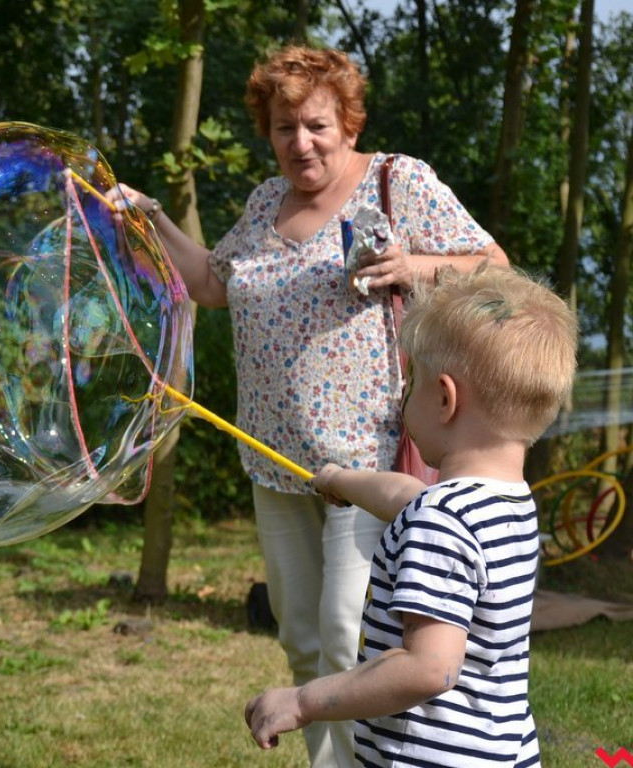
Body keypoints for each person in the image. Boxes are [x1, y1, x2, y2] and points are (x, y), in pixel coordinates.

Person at [117, 44, 507, 766]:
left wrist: (415, 267)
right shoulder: (265, 202)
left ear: (349, 123)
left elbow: (495, 266)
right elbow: (208, 280)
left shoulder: (398, 182)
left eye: (317, 125)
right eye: (284, 128)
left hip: (369, 459)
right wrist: (149, 219)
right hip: (272, 456)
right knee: (301, 636)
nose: (301, 143)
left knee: (347, 631)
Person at [245, 264, 578, 767]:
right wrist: (342, 480)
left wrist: (303, 700)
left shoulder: (443, 521)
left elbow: (429, 668)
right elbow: (409, 495)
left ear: (444, 399)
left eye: (412, 381)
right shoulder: (509, 503)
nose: (404, 397)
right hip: (498, 751)